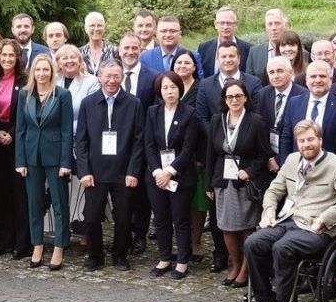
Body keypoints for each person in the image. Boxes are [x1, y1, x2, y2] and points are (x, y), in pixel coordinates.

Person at [246, 121, 336, 302]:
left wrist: (326, 217)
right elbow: (273, 191)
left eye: (310, 140)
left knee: (283, 247)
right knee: (253, 243)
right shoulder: (291, 160)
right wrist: (268, 212)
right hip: (288, 219)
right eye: (302, 141)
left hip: (317, 228)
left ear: (320, 140)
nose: (306, 144)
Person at [74, 61, 144, 272]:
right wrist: (84, 171)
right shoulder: (89, 103)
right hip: (95, 172)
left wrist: (133, 171)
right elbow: (81, 141)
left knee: (123, 218)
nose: (112, 80)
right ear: (99, 77)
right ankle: (95, 256)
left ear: (122, 77)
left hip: (123, 172)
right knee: (92, 216)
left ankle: (120, 255)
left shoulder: (134, 103)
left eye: (116, 76)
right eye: (107, 76)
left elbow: (138, 140)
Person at [209, 77, 271, 289]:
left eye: (238, 96)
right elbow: (211, 154)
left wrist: (250, 171)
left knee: (246, 228)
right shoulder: (218, 120)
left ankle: (246, 270)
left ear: (245, 98)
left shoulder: (255, 121)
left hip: (244, 183)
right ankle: (235, 265)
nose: (234, 100)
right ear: (224, 100)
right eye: (230, 96)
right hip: (222, 180)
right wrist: (210, 183)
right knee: (226, 228)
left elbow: (264, 155)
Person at [14, 52, 73, 271]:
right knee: (34, 203)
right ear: (32, 72)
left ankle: (59, 245)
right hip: (31, 157)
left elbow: (67, 131)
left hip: (56, 156)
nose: (41, 73)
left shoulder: (62, 95)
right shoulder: (24, 95)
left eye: (45, 69)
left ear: (52, 71)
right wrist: (20, 160)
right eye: (38, 69)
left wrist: (66, 162)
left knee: (59, 203)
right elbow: (20, 130)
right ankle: (37, 244)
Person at [143, 70, 201, 279]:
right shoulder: (152, 112)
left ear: (180, 89)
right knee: (161, 219)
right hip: (156, 176)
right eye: (165, 87)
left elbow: (188, 149)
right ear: (160, 91)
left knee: (181, 219)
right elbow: (148, 145)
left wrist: (169, 171)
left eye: (173, 87)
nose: (170, 91)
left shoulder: (189, 113)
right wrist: (158, 171)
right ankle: (165, 257)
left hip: (180, 176)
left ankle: (183, 260)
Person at [0, 39, 28, 260]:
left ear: (18, 57)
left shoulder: (25, 80)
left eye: (11, 55)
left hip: (18, 139)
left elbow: (27, 111)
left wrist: (11, 132)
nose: (7, 59)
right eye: (3, 55)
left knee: (19, 193)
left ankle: (21, 243)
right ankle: (1, 241)